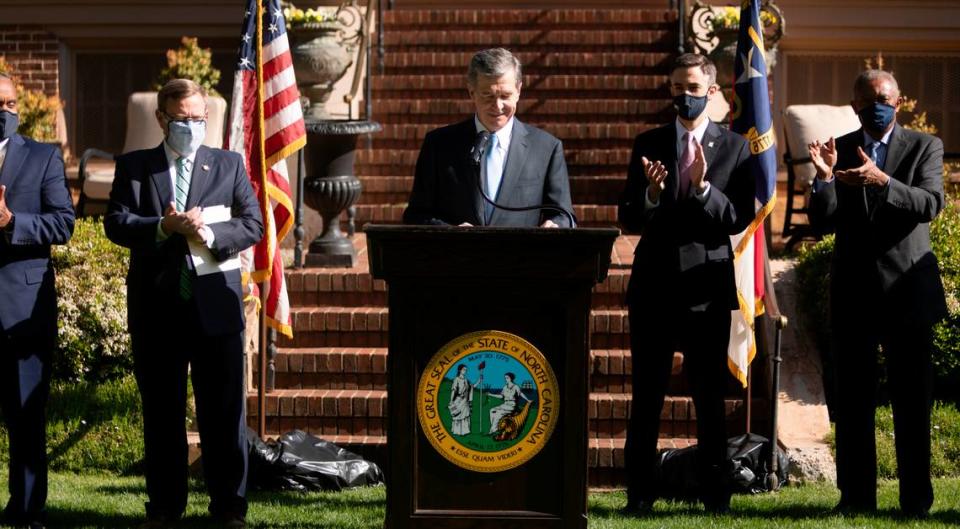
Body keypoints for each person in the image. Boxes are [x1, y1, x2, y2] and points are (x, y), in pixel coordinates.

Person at [104, 79, 263, 529]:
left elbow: (252, 224)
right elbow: (115, 223)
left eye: (198, 119)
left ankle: (229, 508)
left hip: (216, 307)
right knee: (162, 414)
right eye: (182, 120)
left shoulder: (228, 165)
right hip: (158, 310)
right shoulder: (135, 167)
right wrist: (162, 226)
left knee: (224, 415)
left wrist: (209, 234)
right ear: (161, 119)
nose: (191, 127)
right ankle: (163, 509)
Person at [617, 53, 754, 515]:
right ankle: (639, 495)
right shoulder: (649, 142)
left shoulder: (734, 148)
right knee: (647, 395)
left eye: (694, 87)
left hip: (706, 291)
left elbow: (737, 217)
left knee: (709, 398)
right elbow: (629, 217)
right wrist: (653, 194)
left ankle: (716, 496)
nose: (685, 96)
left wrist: (701, 190)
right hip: (654, 287)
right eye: (678, 87)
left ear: (711, 91)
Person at [808, 69, 946, 517]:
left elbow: (930, 204)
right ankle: (856, 499)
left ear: (899, 102)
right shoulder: (841, 148)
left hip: (908, 291)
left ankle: (915, 502)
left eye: (883, 98)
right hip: (854, 294)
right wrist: (826, 178)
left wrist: (881, 180)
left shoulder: (924, 146)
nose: (876, 106)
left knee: (911, 404)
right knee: (853, 406)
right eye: (867, 101)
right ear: (855, 107)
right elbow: (822, 222)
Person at [0, 74, 74, 529]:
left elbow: (63, 223)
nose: (4, 111)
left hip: (21, 308)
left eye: (9, 103)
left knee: (25, 418)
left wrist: (12, 221)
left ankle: (27, 511)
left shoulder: (43, 156)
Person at [403, 47, 574, 227]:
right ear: (472, 92)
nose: (497, 105)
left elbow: (564, 215)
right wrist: (450, 233)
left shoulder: (546, 148)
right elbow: (416, 215)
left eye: (505, 96)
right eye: (488, 96)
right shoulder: (439, 145)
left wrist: (555, 225)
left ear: (519, 91)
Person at [448, 364, 481, 435]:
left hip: (465, 401)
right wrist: (451, 401)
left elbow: (472, 387)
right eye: (464, 369)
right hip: (459, 400)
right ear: (460, 370)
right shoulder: (456, 379)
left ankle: (465, 431)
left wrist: (479, 380)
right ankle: (457, 431)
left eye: (466, 370)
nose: (465, 371)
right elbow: (453, 390)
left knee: (466, 415)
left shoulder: (466, 380)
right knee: (458, 416)